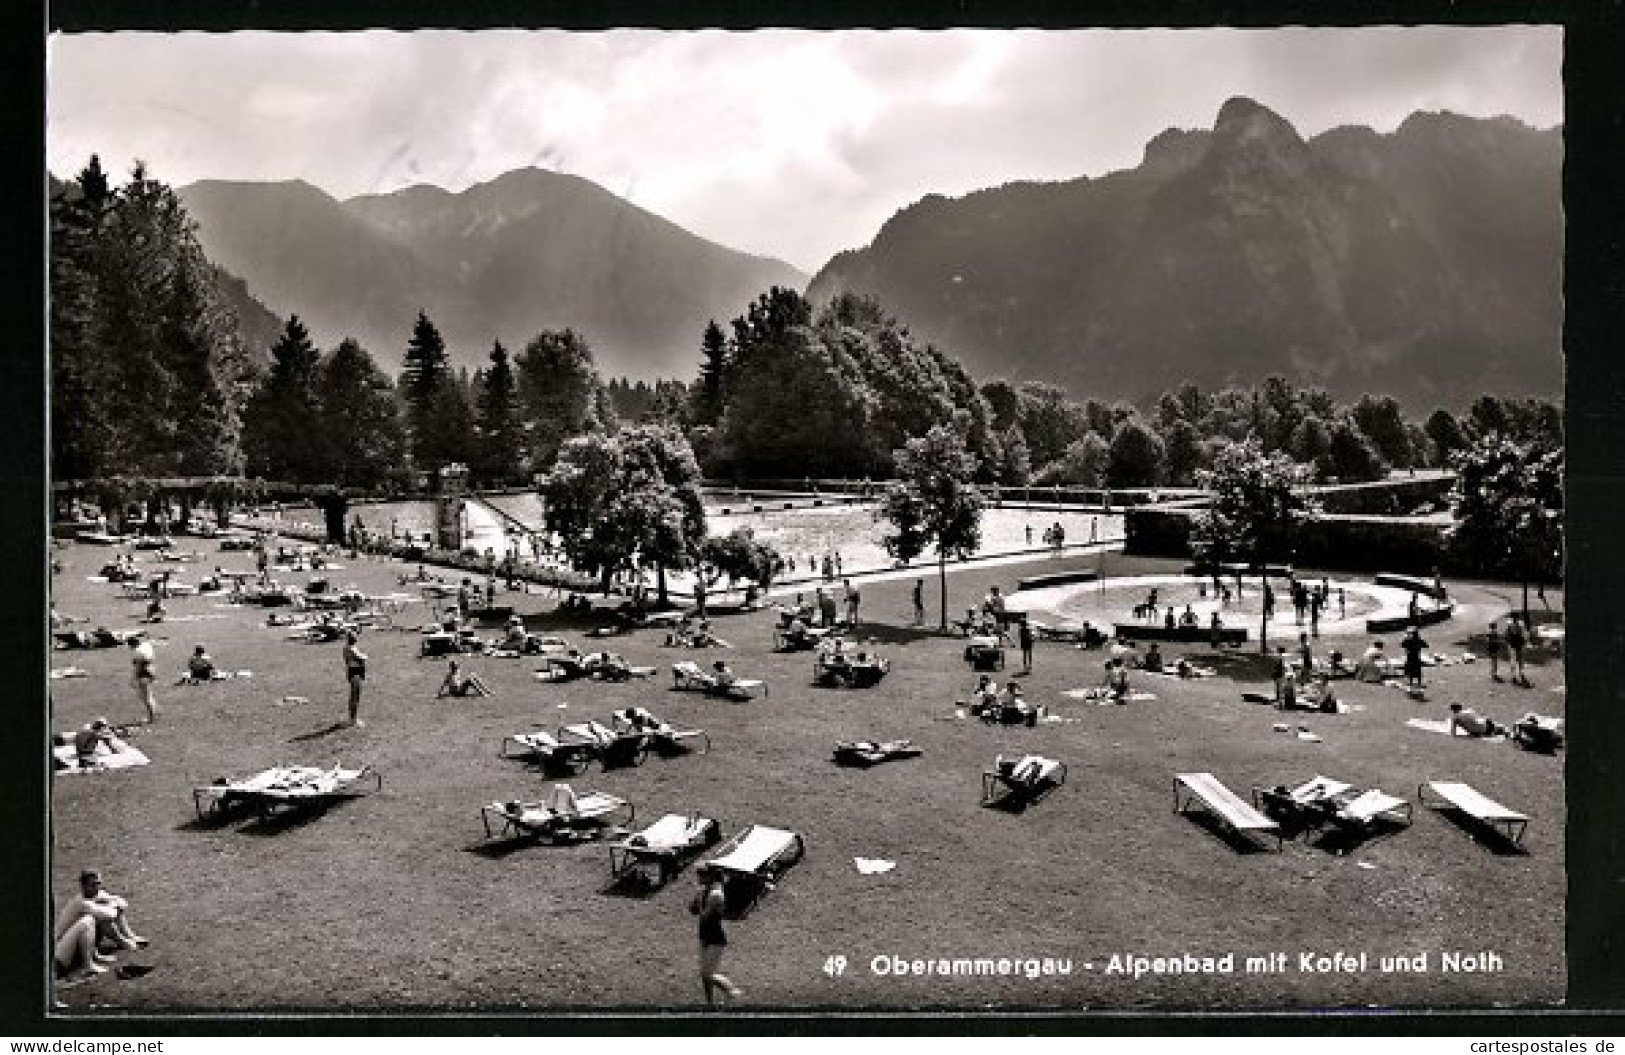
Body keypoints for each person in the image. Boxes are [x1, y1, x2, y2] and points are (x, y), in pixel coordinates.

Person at [55, 870, 147, 982]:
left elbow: (123, 902)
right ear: (83, 886)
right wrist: (113, 905)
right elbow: (111, 914)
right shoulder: (80, 902)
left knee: (103, 911)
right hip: (61, 953)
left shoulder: (97, 894)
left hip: (76, 947)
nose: (97, 887)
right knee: (90, 919)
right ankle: (88, 965)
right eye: (93, 885)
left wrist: (113, 904)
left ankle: (130, 937)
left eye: (98, 883)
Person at [692, 864, 743, 1006]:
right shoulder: (705, 891)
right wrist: (698, 899)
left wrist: (700, 899)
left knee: (708, 973)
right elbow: (693, 909)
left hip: (715, 937)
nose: (698, 878)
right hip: (704, 935)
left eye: (701, 875)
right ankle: (710, 1003)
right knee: (704, 975)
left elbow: (705, 916)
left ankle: (731, 991)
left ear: (709, 876)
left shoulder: (716, 894)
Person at [128, 637, 158, 724]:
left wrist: (133, 678)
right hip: (151, 670)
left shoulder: (138, 652)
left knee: (145, 697)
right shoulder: (146, 645)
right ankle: (155, 714)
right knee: (149, 695)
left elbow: (138, 666)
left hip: (143, 674)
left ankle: (152, 718)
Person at [342, 630, 367, 727]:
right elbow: (362, 657)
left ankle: (352, 718)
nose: (355, 638)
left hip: (353, 672)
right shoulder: (351, 649)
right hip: (355, 673)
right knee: (355, 696)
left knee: (354, 695)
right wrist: (364, 656)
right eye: (353, 637)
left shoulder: (348, 648)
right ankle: (353, 719)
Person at [1401, 627, 1428, 691]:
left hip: (1410, 657)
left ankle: (1411, 682)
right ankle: (1419, 683)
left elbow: (1402, 645)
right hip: (1416, 657)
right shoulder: (1418, 640)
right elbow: (1426, 645)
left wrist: (1406, 638)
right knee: (1417, 670)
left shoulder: (1407, 640)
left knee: (1410, 670)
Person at [1505, 616, 1529, 686]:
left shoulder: (1509, 624)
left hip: (1512, 645)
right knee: (1520, 660)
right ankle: (1521, 674)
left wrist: (1508, 643)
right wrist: (1525, 642)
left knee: (1513, 660)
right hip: (1520, 645)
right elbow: (1525, 635)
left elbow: (1506, 635)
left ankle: (1514, 677)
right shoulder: (1521, 624)